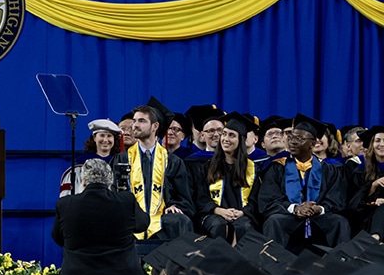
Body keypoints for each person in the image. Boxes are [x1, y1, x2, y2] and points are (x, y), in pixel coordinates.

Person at [257, 113, 350, 251]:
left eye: (299, 139)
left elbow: (336, 199)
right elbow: (269, 199)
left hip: (318, 217)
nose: (293, 142)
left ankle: (340, 267)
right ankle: (274, 267)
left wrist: (318, 208)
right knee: (274, 221)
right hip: (288, 216)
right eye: (292, 137)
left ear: (312, 144)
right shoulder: (277, 167)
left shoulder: (329, 170)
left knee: (339, 222)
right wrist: (295, 208)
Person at [112, 104, 194, 239]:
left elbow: (184, 196)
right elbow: (115, 191)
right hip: (130, 218)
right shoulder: (122, 159)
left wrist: (174, 205)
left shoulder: (172, 161)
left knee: (179, 222)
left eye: (141, 121)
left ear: (155, 126)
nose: (135, 125)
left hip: (162, 219)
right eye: (135, 121)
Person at [196, 112, 258, 243]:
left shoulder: (252, 169)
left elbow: (255, 199)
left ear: (240, 140)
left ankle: (243, 264)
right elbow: (201, 197)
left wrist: (242, 212)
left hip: (242, 215)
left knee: (244, 226)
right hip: (214, 214)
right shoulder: (207, 167)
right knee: (219, 226)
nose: (225, 139)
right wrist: (218, 210)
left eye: (231, 135)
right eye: (224, 134)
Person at [59, 118, 122, 197]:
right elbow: (66, 197)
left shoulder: (118, 165)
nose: (105, 140)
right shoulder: (79, 168)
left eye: (109, 136)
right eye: (102, 135)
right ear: (94, 138)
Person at [346, 126, 384, 239]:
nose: (382, 144)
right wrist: (373, 186)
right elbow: (353, 204)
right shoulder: (362, 170)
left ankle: (375, 239)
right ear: (371, 145)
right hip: (367, 218)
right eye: (377, 140)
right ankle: (375, 239)